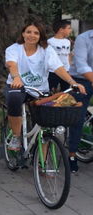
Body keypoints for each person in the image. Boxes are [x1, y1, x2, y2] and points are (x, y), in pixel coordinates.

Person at [4, 20, 85, 152]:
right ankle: (16, 136)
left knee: (46, 125)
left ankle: (45, 165)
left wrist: (72, 82)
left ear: (40, 36)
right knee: (14, 98)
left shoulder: (47, 50)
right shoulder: (14, 49)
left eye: (36, 33)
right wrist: (16, 78)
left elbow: (58, 68)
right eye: (28, 32)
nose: (32, 35)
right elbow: (12, 64)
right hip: (18, 86)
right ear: (23, 34)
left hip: (39, 89)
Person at [68, 29, 93, 173]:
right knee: (77, 118)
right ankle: (72, 155)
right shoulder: (83, 38)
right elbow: (81, 64)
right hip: (81, 80)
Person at [47, 20, 73, 92]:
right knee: (50, 91)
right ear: (61, 30)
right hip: (53, 71)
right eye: (69, 28)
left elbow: (68, 55)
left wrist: (69, 69)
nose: (70, 30)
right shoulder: (50, 41)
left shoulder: (67, 42)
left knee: (66, 91)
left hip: (66, 71)